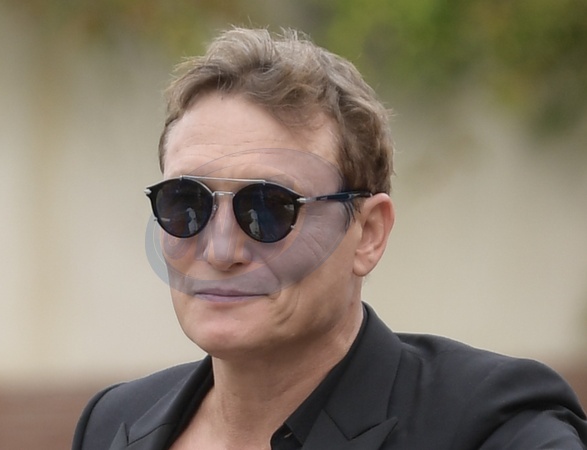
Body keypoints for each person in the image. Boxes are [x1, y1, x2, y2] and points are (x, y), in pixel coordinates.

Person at [72, 27, 587, 450]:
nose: (220, 249)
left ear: (368, 234)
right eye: (186, 203)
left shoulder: (491, 426)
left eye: (268, 207)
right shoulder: (113, 423)